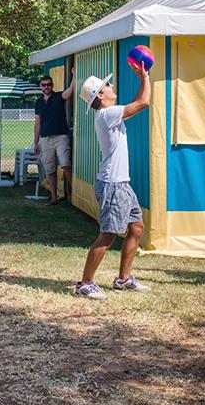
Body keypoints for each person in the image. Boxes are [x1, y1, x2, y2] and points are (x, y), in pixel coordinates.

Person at [73, 63, 151, 300]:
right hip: (112, 185)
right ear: (100, 95)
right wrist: (145, 77)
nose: (112, 85)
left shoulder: (110, 113)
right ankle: (85, 283)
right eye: (107, 85)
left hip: (122, 184)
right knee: (108, 234)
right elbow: (143, 103)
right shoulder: (107, 114)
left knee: (136, 228)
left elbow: (137, 103)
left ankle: (123, 278)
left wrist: (142, 81)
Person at [34, 69, 74, 205]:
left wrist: (74, 76)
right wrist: (36, 142)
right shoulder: (38, 103)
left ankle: (75, 194)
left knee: (65, 164)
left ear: (52, 85)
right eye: (44, 85)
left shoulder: (58, 96)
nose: (46, 87)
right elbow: (37, 123)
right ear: (40, 86)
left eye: (49, 84)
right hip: (45, 139)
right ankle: (53, 198)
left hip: (61, 137)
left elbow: (70, 92)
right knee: (50, 169)